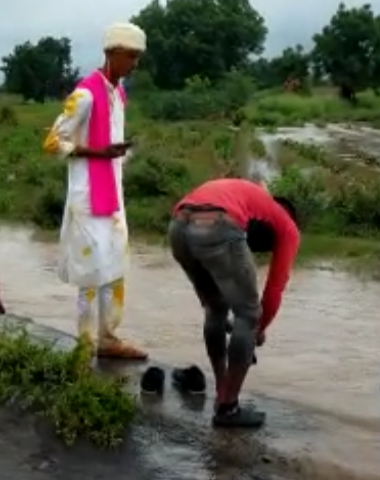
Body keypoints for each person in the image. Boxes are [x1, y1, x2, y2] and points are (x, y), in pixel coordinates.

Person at [42, 22, 147, 360]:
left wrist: (114, 151)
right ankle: (85, 344)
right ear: (111, 53)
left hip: (112, 195)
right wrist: (97, 152)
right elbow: (53, 141)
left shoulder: (118, 93)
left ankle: (109, 338)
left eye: (138, 57)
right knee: (90, 273)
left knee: (115, 264)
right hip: (87, 199)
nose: (134, 64)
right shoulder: (85, 94)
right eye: (130, 56)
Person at [168, 178, 300, 428]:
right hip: (217, 225)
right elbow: (273, 291)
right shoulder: (287, 227)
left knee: (215, 307)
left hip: (178, 225)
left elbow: (209, 298)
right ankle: (228, 407)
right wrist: (257, 329)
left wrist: (239, 326)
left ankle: (221, 391)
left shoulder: (250, 198)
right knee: (248, 315)